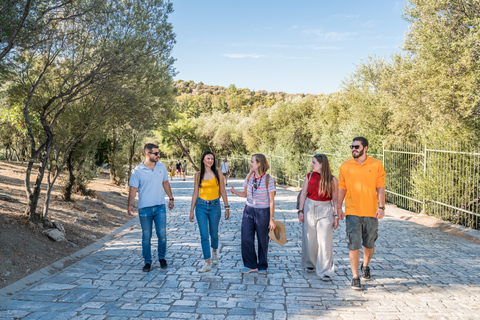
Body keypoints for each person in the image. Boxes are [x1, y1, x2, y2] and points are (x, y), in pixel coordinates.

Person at [337, 137, 386, 290]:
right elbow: (342, 188)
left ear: (365, 148)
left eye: (357, 146)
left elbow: (380, 188)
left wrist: (382, 207)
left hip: (371, 211)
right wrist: (338, 207)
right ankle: (355, 277)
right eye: (352, 146)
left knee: (369, 244)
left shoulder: (376, 164)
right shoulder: (345, 166)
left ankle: (365, 266)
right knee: (353, 244)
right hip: (352, 211)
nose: (354, 149)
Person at [128, 143, 175, 272]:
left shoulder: (161, 167)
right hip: (145, 209)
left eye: (159, 153)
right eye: (156, 153)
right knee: (146, 236)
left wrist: (171, 198)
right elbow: (133, 188)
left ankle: (162, 258)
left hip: (160, 206)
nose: (158, 155)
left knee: (162, 235)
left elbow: (165, 183)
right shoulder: (138, 170)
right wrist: (130, 204)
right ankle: (147, 262)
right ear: (147, 154)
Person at [230, 154, 276, 274]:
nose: (250, 163)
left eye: (252, 162)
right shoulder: (249, 176)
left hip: (263, 212)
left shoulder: (268, 179)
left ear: (259, 164)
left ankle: (262, 266)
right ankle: (250, 265)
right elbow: (245, 194)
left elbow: (271, 200)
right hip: (248, 210)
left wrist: (271, 218)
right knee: (246, 238)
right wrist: (235, 192)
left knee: (262, 240)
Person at [297, 154, 339, 281]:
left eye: (314, 162)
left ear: (321, 164)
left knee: (325, 240)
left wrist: (336, 216)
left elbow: (335, 199)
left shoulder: (332, 179)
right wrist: (300, 211)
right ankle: (311, 263)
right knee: (310, 239)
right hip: (309, 207)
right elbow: (303, 194)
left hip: (326, 209)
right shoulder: (309, 176)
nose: (311, 164)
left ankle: (326, 271)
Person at [189, 151, 230, 273]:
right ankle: (207, 263)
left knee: (214, 233)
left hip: (215, 206)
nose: (210, 161)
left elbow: (223, 191)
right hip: (201, 206)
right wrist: (191, 210)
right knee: (204, 235)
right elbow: (195, 193)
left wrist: (227, 207)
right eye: (208, 158)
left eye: (212, 159)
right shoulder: (198, 175)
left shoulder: (218, 173)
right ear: (203, 160)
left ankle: (214, 252)